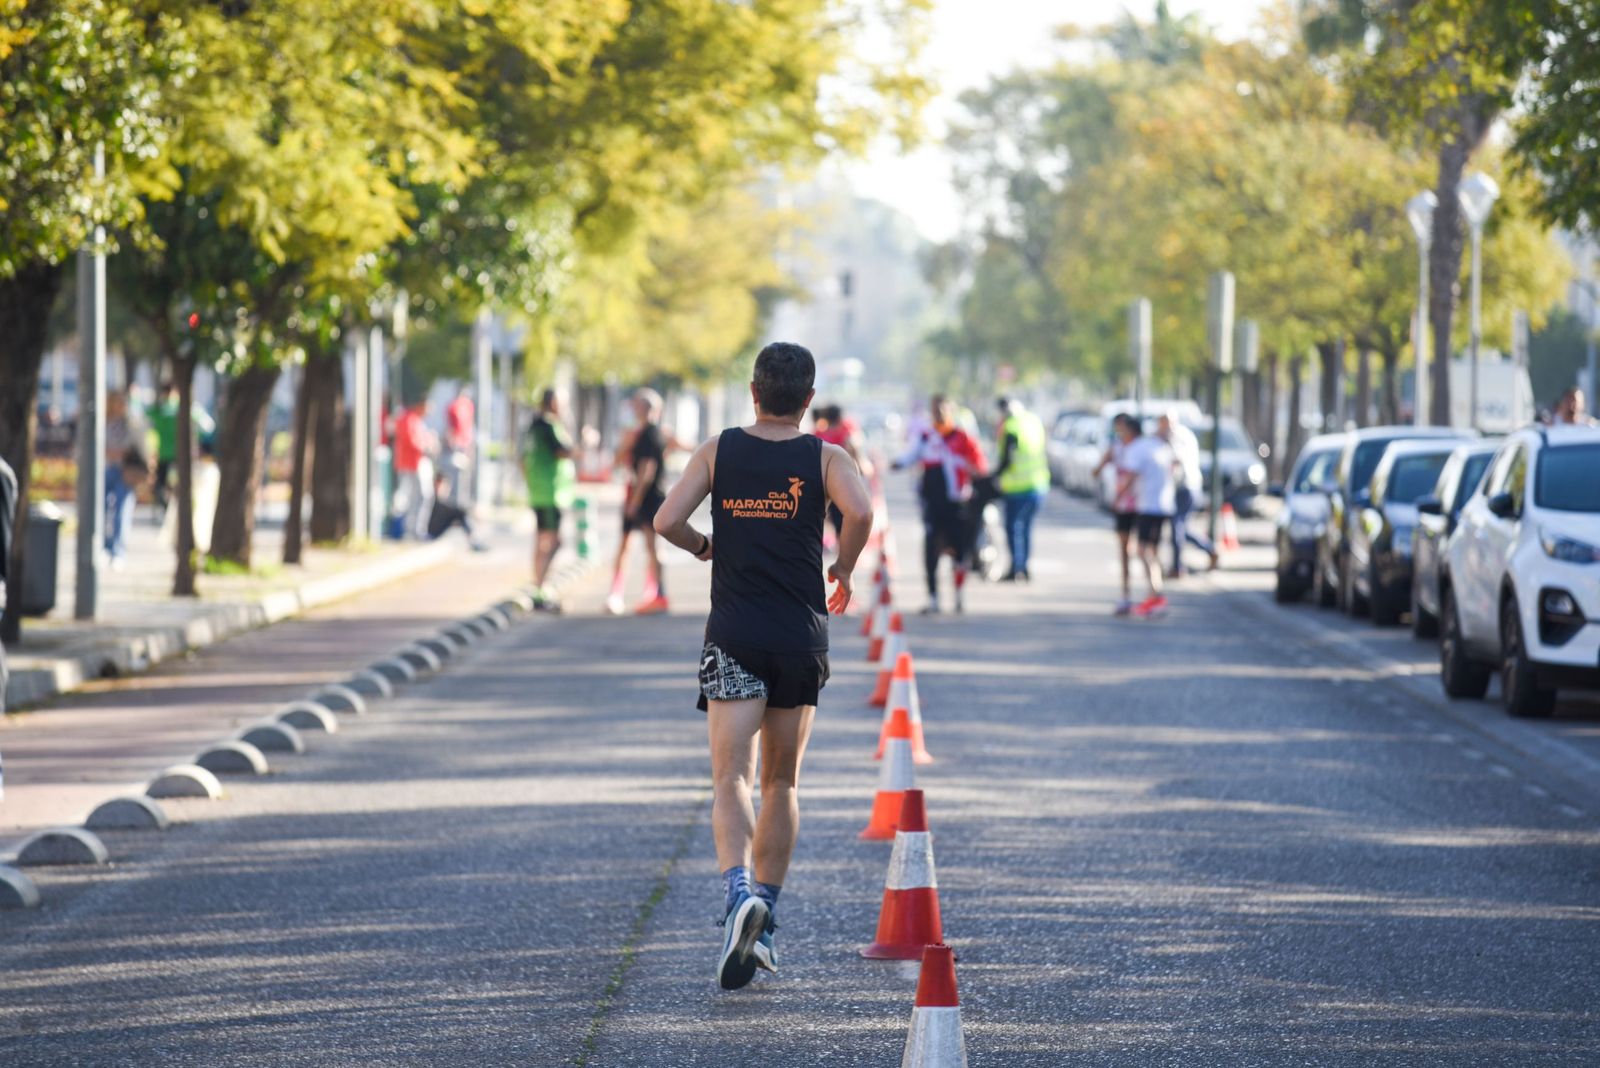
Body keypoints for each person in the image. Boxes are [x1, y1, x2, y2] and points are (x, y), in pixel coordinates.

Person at [653, 341, 872, 990]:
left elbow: (666, 519)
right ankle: (766, 918)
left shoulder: (719, 450)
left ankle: (737, 896)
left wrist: (703, 547)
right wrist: (844, 569)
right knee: (783, 784)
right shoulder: (826, 456)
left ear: (754, 392)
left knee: (731, 780)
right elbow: (859, 512)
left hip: (734, 637)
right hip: (799, 638)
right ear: (808, 400)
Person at [894, 396, 986, 614]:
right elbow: (909, 457)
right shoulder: (925, 436)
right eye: (935, 410)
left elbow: (979, 465)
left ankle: (959, 596)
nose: (939, 414)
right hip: (933, 504)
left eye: (943, 410)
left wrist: (973, 473)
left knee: (961, 551)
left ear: (951, 411)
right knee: (931, 548)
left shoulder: (962, 437)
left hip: (957, 503)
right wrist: (894, 463)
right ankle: (933, 598)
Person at [607, 388, 673, 616]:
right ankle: (618, 594)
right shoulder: (639, 434)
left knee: (651, 545)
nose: (631, 409)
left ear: (646, 408)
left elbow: (647, 470)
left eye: (635, 405)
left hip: (647, 498)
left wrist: (634, 502)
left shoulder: (650, 435)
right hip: (640, 495)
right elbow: (617, 461)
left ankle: (657, 594)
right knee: (629, 545)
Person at [522, 388, 577, 612]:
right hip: (552, 492)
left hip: (539, 491)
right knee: (553, 542)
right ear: (553, 402)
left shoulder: (533, 426)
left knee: (541, 540)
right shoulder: (549, 425)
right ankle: (541, 588)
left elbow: (522, 459)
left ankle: (539, 586)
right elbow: (563, 451)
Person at [1117, 418, 1176, 618]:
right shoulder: (1157, 447)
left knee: (1143, 550)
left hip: (1149, 506)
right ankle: (1154, 595)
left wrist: (1119, 497)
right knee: (1152, 550)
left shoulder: (1137, 449)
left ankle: (1156, 595)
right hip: (1163, 505)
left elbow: (1130, 476)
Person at [991, 397, 1049, 582]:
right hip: (1038, 484)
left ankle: (1016, 568)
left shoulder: (1011, 428)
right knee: (1025, 528)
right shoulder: (1033, 421)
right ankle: (1023, 566)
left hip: (1017, 487)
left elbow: (1007, 459)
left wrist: (994, 477)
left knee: (1013, 528)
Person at [1159, 412, 1219, 578]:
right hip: (1186, 486)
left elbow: (1177, 459)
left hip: (1185, 487)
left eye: (1164, 423)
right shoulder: (1181, 435)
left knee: (1177, 525)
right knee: (1181, 527)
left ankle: (1178, 567)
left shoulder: (1177, 437)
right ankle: (1208, 549)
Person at [1093, 413, 1141, 615]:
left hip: (1143, 504)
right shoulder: (1117, 447)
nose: (1119, 432)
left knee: (1146, 550)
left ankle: (1152, 595)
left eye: (1121, 428)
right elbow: (1098, 468)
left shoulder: (1141, 448)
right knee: (1125, 549)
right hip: (1123, 506)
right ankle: (1126, 595)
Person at [812, 404, 873, 542]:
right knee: (848, 517)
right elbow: (855, 451)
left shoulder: (818, 435)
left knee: (831, 519)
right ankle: (844, 549)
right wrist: (863, 468)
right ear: (839, 418)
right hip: (844, 483)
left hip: (824, 485)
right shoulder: (846, 433)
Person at [104, 390, 149, 569]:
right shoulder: (104, 421)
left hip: (126, 470)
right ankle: (105, 546)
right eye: (117, 402)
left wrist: (115, 452)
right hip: (107, 468)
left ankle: (118, 551)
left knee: (122, 511)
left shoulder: (130, 423)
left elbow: (133, 446)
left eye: (123, 403)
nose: (120, 406)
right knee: (101, 509)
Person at [393, 397, 437, 540]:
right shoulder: (408, 419)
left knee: (422, 496)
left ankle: (417, 529)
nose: (429, 411)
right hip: (411, 464)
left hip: (417, 463)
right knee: (412, 497)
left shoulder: (417, 420)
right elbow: (413, 442)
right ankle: (410, 530)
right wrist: (427, 445)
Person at [426, 471, 487, 551]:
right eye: (444, 485)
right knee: (459, 515)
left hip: (436, 528)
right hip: (430, 531)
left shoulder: (440, 501)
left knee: (460, 517)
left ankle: (474, 541)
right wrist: (472, 512)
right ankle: (474, 542)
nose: (446, 489)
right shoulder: (431, 499)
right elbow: (456, 511)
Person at [444, 385, 475, 502]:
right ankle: (458, 503)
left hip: (460, 445)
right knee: (459, 477)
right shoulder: (464, 406)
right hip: (462, 445)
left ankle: (457, 503)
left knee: (458, 477)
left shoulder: (459, 406)